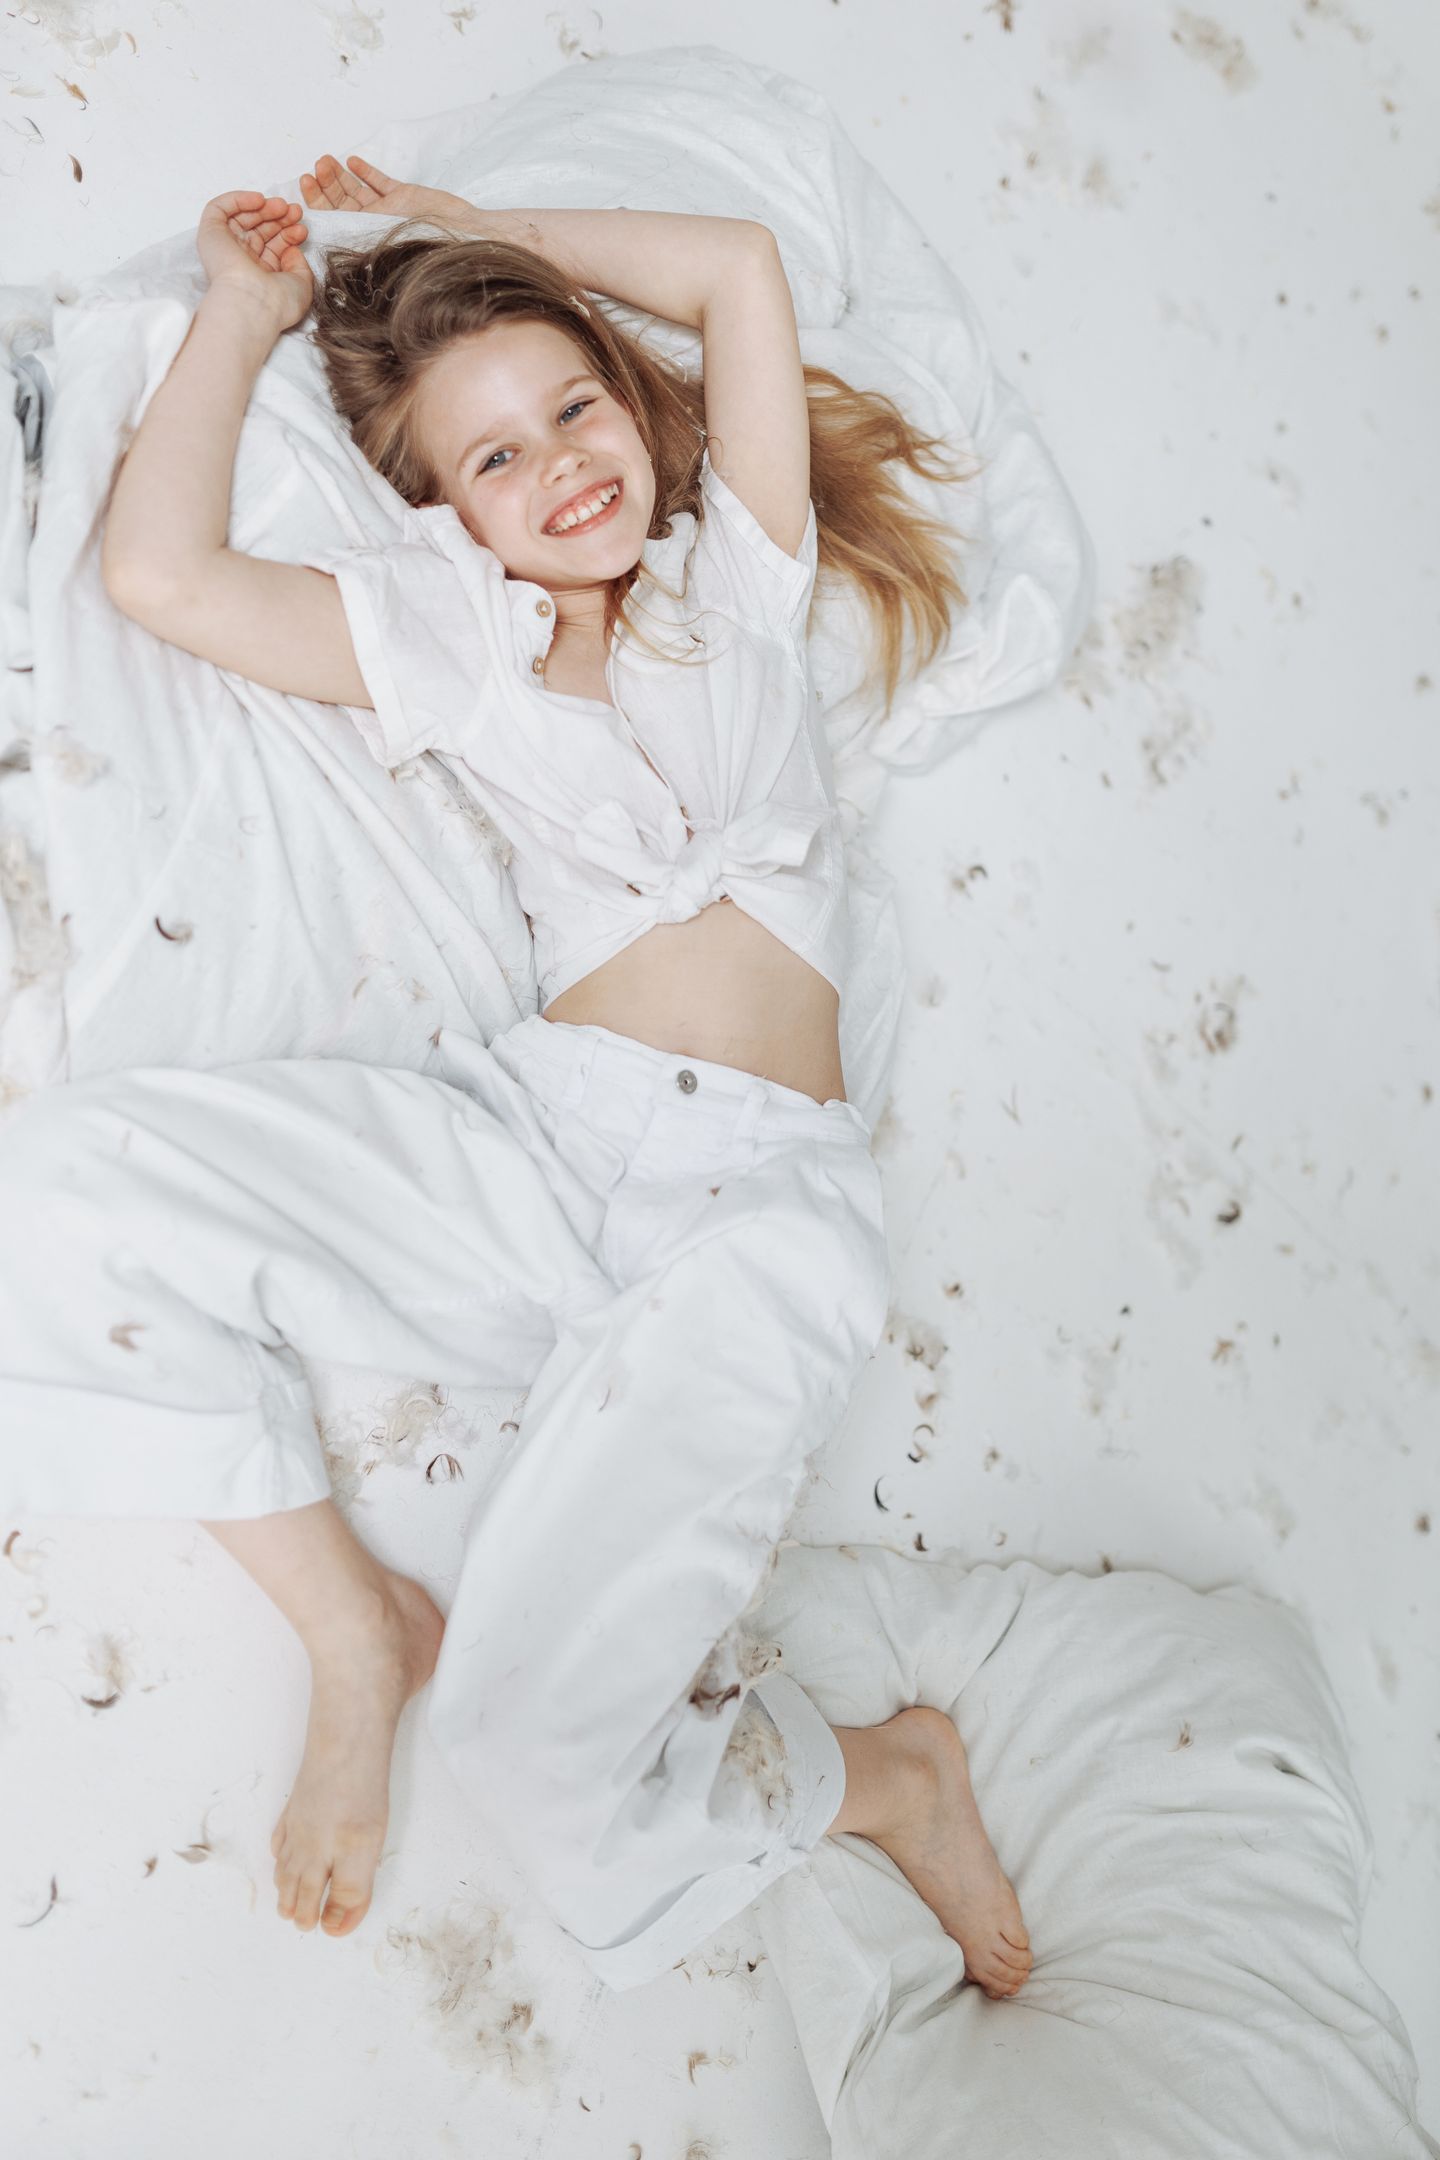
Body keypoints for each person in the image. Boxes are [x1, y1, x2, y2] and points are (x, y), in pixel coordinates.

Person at [9, 158, 1031, 1996]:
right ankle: (352, 1625)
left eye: (572, 407)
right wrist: (246, 311)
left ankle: (888, 1779)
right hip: (539, 1150)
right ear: (443, 516)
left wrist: (455, 223)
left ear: (628, 402)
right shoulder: (452, 648)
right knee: (50, 1195)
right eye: (492, 457)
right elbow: (160, 576)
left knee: (531, 1761)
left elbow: (735, 267)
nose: (559, 464)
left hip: (750, 1218)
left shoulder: (741, 575)